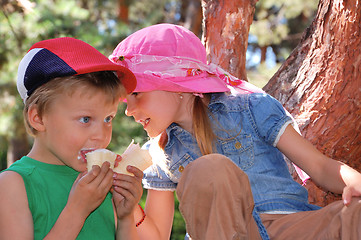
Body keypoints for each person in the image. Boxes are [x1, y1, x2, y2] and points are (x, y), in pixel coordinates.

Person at [110, 23, 361, 240]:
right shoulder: (158, 153)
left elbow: (320, 167)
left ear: (175, 85)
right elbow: (157, 235)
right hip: (224, 232)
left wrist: (356, 184)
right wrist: (131, 206)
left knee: (355, 214)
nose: (128, 111)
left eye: (136, 94)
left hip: (291, 227)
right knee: (209, 169)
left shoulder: (249, 108)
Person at [0, 37, 144, 240]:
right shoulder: (13, 185)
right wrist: (77, 210)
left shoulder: (101, 181)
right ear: (38, 118)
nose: (101, 135)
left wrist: (126, 216)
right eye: (85, 119)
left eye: (108, 118)